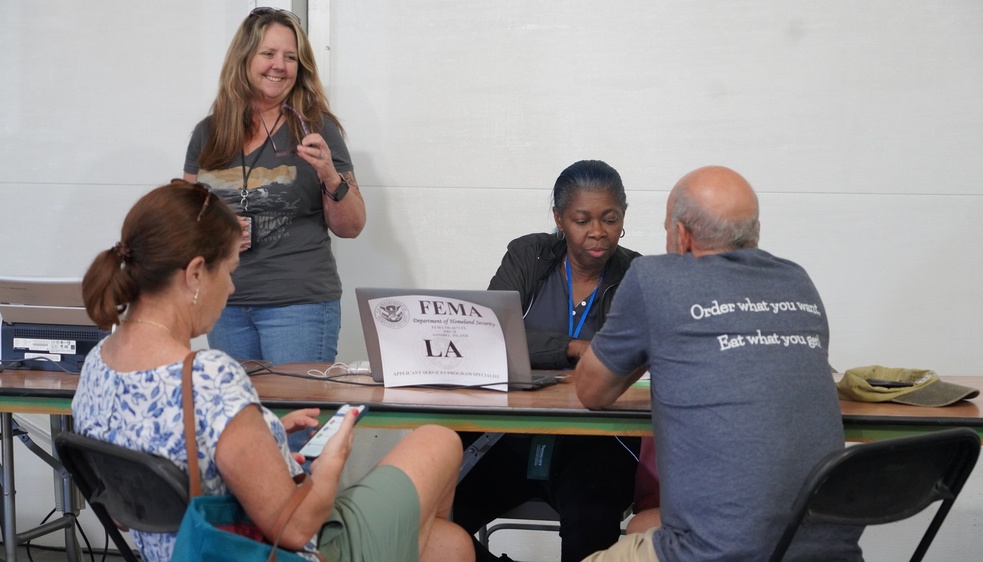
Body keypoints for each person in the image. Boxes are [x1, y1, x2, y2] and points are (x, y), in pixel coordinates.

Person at [73, 180, 471, 562]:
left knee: (448, 543)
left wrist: (268, 432)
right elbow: (296, 528)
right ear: (195, 273)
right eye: (229, 271)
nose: (231, 288)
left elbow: (128, 513)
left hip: (188, 551)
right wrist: (332, 459)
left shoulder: (96, 366)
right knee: (440, 440)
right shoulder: (208, 378)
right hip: (282, 553)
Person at [574, 166, 864, 561]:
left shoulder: (655, 278)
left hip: (709, 553)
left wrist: (650, 339)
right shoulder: (797, 280)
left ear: (681, 235)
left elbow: (591, 392)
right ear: (755, 231)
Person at [452, 160, 641, 562]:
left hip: (597, 439)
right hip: (510, 434)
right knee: (437, 506)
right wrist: (575, 348)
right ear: (559, 218)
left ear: (623, 216)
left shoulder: (637, 274)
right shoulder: (529, 255)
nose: (597, 232)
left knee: (592, 520)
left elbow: (633, 354)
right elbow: (490, 334)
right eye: (582, 219)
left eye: (610, 219)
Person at [183, 7, 365, 365]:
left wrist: (330, 175)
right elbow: (185, 219)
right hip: (224, 304)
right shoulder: (209, 133)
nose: (279, 65)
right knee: (239, 418)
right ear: (245, 58)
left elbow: (352, 226)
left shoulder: (317, 128)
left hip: (298, 305)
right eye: (268, 54)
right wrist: (217, 230)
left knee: (296, 418)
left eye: (290, 57)